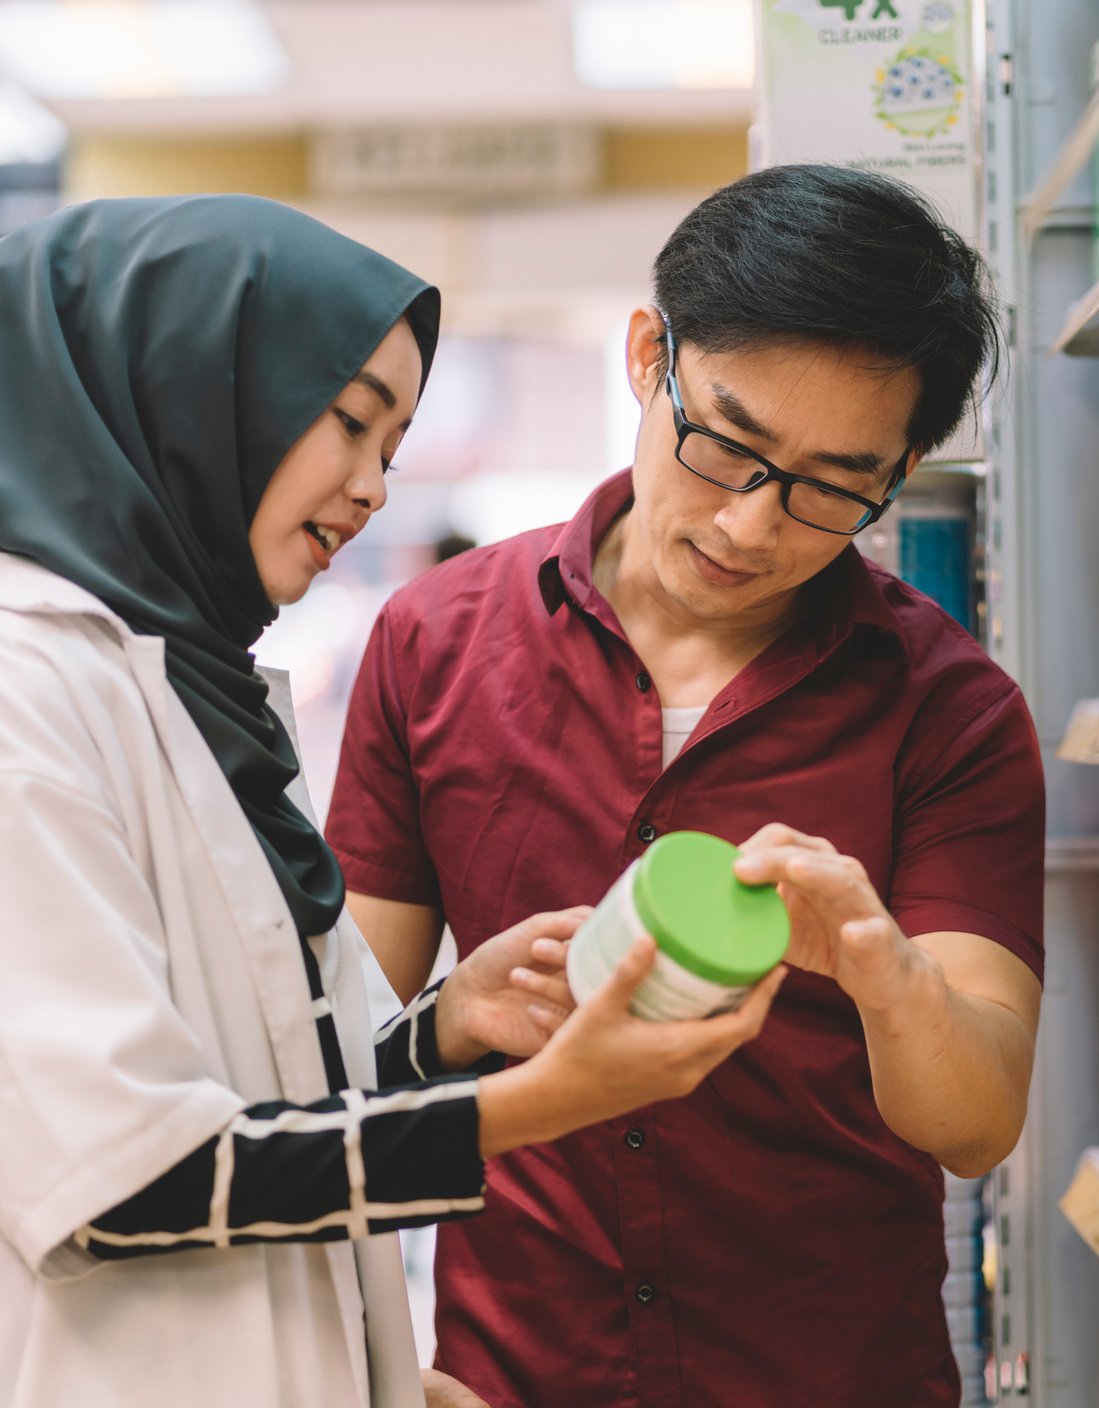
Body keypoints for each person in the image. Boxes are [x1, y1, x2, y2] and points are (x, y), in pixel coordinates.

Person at [0, 194, 784, 1408]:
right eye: (348, 424)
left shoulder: (191, 684)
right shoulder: (24, 695)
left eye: (394, 448)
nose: (370, 489)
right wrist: (536, 1107)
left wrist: (447, 1028)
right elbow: (118, 1179)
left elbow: (269, 1099)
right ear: (178, 388)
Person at [327, 163, 1045, 1408]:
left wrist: (884, 970)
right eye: (728, 445)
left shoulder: (950, 706)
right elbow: (334, 1045)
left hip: (830, 1378)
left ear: (905, 462)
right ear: (649, 354)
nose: (754, 526)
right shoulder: (433, 642)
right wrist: (449, 1025)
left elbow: (975, 1120)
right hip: (513, 1378)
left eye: (833, 486)